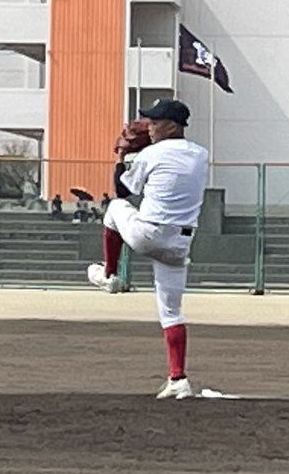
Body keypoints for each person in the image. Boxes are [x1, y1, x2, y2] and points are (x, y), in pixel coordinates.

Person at [87, 98, 209, 401]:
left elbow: (122, 189)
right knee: (171, 313)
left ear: (172, 126)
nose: (149, 126)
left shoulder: (152, 153)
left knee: (115, 207)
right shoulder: (201, 154)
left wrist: (123, 154)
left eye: (155, 122)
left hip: (148, 232)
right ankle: (178, 378)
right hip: (179, 243)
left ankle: (111, 275)